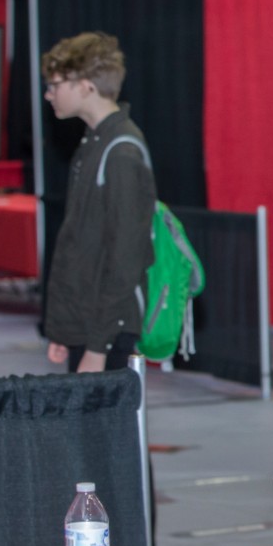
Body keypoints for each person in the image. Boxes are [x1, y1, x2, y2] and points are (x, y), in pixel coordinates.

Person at [42, 32, 156, 373]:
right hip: (86, 323)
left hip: (107, 331)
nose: (49, 94)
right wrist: (65, 329)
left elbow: (125, 258)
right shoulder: (92, 144)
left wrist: (98, 346)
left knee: (105, 428)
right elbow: (78, 244)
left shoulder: (121, 152)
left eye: (56, 84)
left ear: (86, 86)